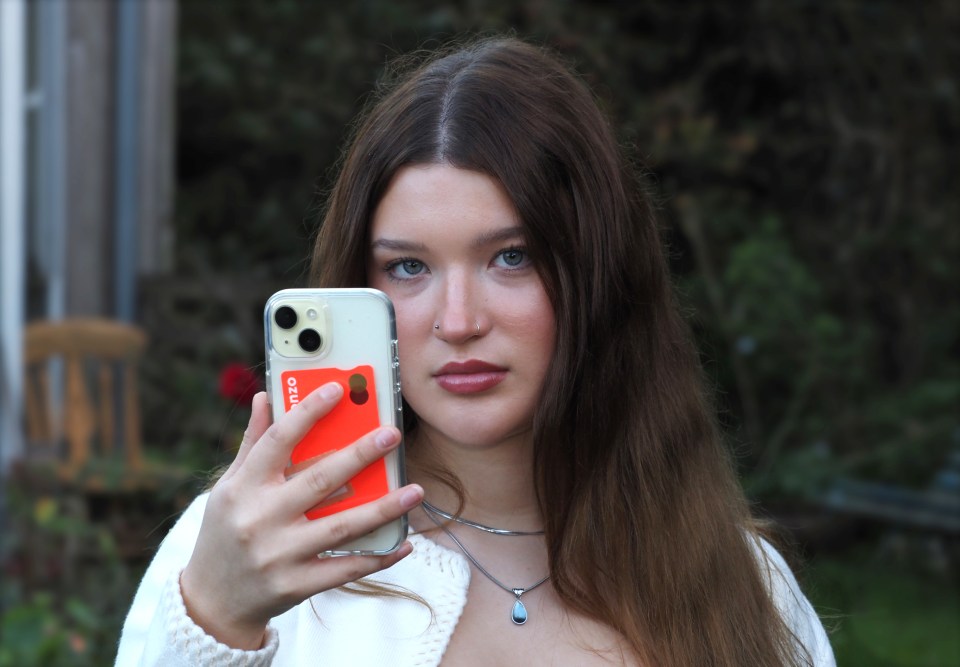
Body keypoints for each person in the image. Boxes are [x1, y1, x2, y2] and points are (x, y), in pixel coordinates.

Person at [115, 35, 835, 666]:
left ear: (599, 274)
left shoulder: (745, 583)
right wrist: (212, 622)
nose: (457, 321)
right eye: (409, 267)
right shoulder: (244, 549)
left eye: (512, 257)